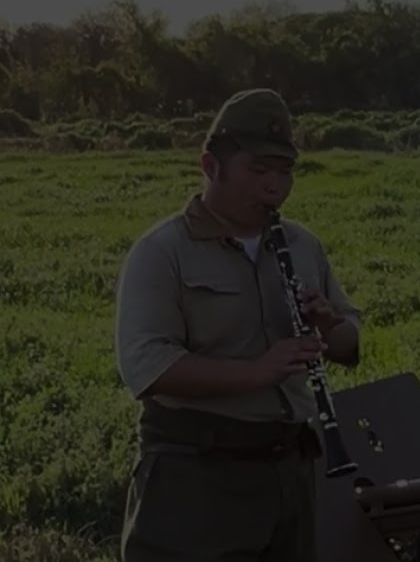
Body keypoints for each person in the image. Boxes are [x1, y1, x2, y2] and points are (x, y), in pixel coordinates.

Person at [113, 88, 362, 562]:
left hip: (292, 471)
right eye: (259, 170)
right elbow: (146, 369)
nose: (275, 186)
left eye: (285, 172)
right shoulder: (162, 252)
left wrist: (329, 327)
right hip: (198, 477)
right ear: (211, 167)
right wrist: (257, 371)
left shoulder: (302, 245)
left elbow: (350, 345)